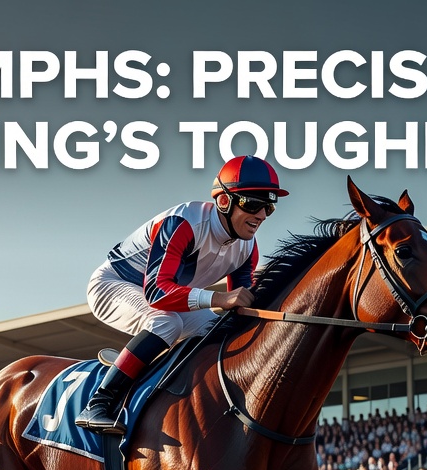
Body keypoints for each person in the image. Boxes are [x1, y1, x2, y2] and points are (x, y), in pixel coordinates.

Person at [75, 155, 290, 434]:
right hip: (115, 284)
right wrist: (218, 299)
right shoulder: (184, 222)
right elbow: (156, 291)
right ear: (224, 201)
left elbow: (242, 307)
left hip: (170, 299)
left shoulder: (247, 248)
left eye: (269, 207)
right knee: (166, 323)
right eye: (253, 204)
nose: (262, 215)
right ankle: (99, 403)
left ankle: (166, 387)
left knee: (219, 332)